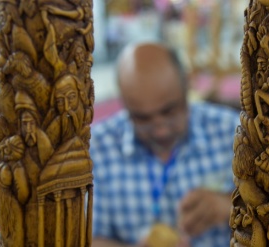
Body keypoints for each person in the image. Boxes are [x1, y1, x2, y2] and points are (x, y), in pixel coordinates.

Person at [90, 43, 239, 247]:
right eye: (142, 119)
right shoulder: (98, 148)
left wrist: (230, 206)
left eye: (169, 111)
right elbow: (82, 237)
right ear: (123, 103)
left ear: (187, 84)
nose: (160, 130)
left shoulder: (232, 133)